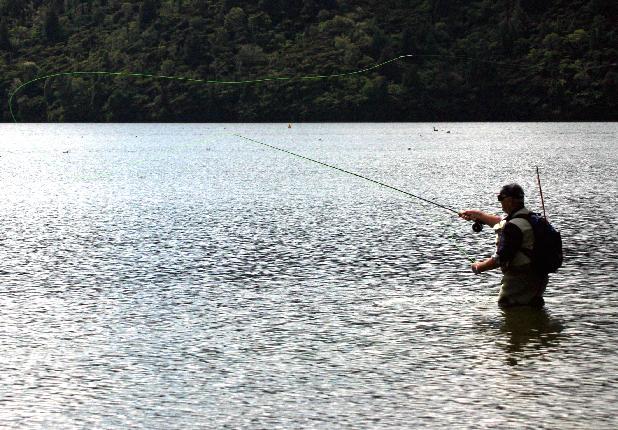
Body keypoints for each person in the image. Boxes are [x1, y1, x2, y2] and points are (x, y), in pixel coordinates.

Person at [459, 183, 548, 308]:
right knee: (533, 309)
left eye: (501, 198)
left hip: (520, 279)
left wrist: (479, 267)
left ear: (510, 200)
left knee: (509, 309)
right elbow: (500, 222)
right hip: (539, 277)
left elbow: (501, 258)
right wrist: (477, 215)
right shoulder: (532, 218)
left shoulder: (513, 226)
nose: (500, 202)